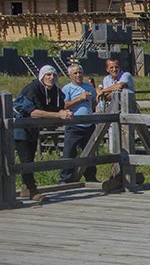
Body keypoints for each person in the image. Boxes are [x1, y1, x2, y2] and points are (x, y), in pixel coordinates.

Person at [12, 65, 73, 201]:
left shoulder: (55, 92)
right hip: (20, 127)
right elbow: (33, 112)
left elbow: (57, 108)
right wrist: (58, 116)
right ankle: (32, 190)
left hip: (33, 129)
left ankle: (25, 188)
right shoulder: (32, 89)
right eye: (48, 75)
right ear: (42, 76)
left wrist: (64, 113)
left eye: (53, 75)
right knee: (26, 160)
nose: (51, 78)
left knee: (30, 158)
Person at [60, 63, 98, 183]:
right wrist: (79, 99)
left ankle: (90, 177)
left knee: (90, 152)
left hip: (88, 125)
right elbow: (64, 105)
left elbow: (93, 103)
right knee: (69, 152)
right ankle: (66, 179)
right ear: (70, 75)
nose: (78, 75)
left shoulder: (89, 87)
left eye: (80, 72)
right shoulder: (67, 88)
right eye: (75, 73)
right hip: (74, 125)